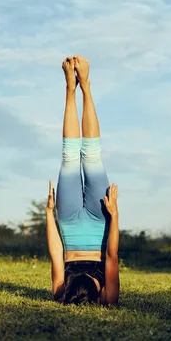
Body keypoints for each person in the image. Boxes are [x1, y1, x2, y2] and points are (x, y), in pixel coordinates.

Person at [46, 56, 120, 306]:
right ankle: (85, 86)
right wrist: (114, 214)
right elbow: (111, 255)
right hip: (100, 222)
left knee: (70, 157)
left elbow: (57, 253)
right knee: (91, 157)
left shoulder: (62, 292)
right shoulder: (108, 298)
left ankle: (69, 90)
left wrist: (49, 214)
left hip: (68, 222)